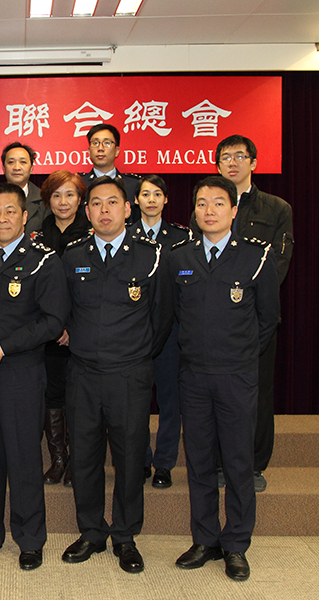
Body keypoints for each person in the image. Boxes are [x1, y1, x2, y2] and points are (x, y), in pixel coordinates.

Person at [60, 176, 172, 574]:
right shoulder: (72, 255)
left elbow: (161, 318)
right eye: (96, 203)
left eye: (112, 203)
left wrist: (135, 355)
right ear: (87, 211)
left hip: (130, 374)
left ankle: (125, 535)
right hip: (83, 374)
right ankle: (91, 531)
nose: (104, 210)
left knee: (129, 457)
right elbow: (63, 311)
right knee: (84, 456)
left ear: (128, 209)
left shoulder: (151, 255)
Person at [170, 176, 279, 582]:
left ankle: (236, 544)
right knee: (199, 461)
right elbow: (174, 316)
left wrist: (239, 356)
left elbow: (268, 319)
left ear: (234, 210)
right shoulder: (180, 256)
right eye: (201, 203)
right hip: (194, 376)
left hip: (236, 376)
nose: (209, 210)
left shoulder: (256, 255)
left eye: (218, 203)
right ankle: (205, 539)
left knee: (237, 462)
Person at [0, 183, 69, 571]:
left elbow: (53, 321)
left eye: (9, 212)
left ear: (25, 217)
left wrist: (5, 347)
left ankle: (30, 539)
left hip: (21, 373)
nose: (1, 219)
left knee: (23, 458)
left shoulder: (43, 261)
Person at [191, 134, 293, 493]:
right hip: (210, 322)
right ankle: (218, 462)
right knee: (213, 399)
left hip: (253, 319)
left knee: (257, 395)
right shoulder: (205, 207)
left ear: (253, 162)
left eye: (239, 156)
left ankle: (254, 464)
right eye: (225, 157)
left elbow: (277, 264)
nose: (232, 162)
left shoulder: (276, 208)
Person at [130, 175, 192, 489]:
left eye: (157, 194)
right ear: (136, 200)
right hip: (135, 332)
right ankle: (140, 459)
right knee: (136, 402)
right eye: (145, 194)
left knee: (170, 401)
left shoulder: (182, 236)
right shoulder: (125, 235)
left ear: (166, 199)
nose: (151, 200)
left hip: (171, 333)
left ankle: (164, 464)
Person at [32, 170, 90, 487]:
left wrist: (69, 326)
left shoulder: (93, 234)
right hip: (48, 332)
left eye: (70, 194)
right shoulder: (37, 237)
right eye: (56, 195)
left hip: (82, 331)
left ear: (80, 200)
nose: (63, 201)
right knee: (52, 395)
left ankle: (79, 462)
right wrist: (53, 326)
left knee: (80, 400)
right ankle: (58, 459)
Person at [79, 124, 140, 223]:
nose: (100, 148)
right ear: (89, 151)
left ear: (117, 151)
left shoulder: (134, 185)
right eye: (95, 143)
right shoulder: (79, 184)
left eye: (107, 143)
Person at [0, 142, 50, 234]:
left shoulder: (45, 201)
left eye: (23, 162)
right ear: (3, 168)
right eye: (11, 162)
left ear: (31, 167)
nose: (17, 167)